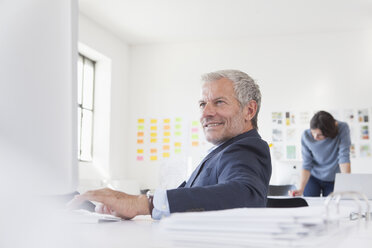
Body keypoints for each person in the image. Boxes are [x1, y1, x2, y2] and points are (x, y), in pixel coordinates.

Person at [69, 70, 272, 219]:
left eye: (219, 102)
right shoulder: (223, 150)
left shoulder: (245, 149)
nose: (205, 113)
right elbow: (185, 197)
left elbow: (246, 196)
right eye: (203, 104)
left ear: (249, 110)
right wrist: (126, 202)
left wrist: (144, 203)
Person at [290, 111, 351, 197]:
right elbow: (307, 164)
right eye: (313, 132)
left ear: (329, 132)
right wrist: (301, 189)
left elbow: (344, 157)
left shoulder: (342, 128)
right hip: (313, 177)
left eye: (319, 135)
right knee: (310, 204)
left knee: (331, 205)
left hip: (333, 178)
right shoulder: (306, 136)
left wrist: (347, 185)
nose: (315, 137)